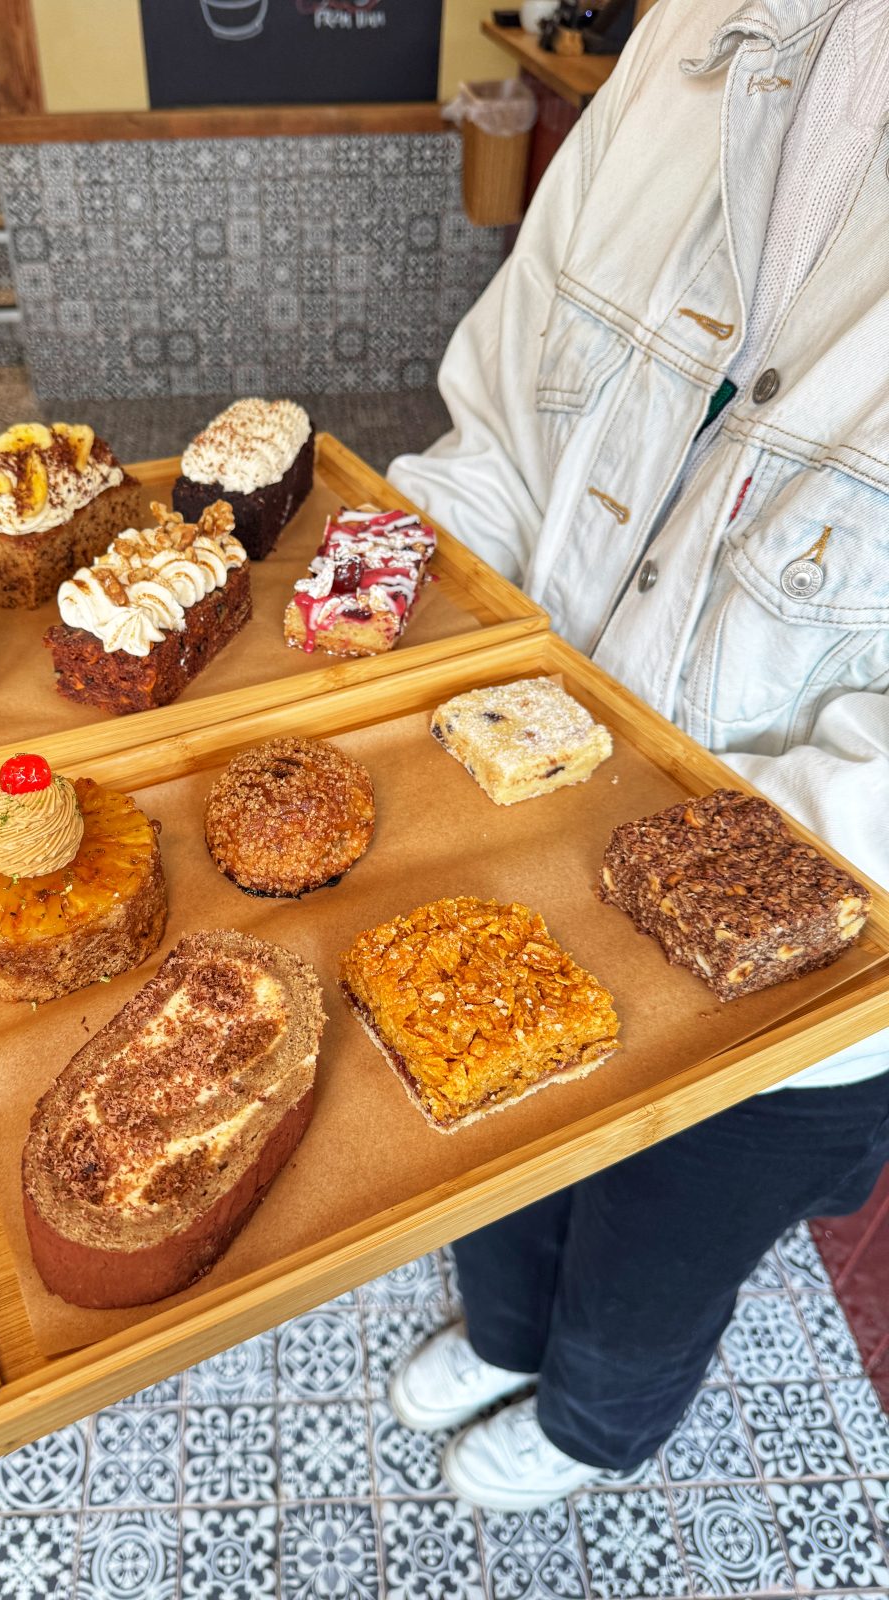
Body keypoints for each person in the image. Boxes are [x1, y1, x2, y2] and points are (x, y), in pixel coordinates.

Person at [384, 0, 889, 1509]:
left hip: (802, 968)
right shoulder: (695, 29)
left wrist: (646, 888)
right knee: (500, 1138)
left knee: (661, 1242)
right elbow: (504, 424)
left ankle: (591, 1428)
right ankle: (505, 1330)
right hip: (518, 834)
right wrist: (387, 627)